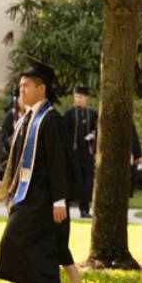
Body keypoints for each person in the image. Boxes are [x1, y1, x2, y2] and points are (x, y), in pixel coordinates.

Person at [0, 61, 89, 283]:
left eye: (26, 86)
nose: (20, 91)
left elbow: (58, 161)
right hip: (26, 198)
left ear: (42, 88)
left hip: (42, 201)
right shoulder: (27, 119)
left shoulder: (50, 119)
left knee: (11, 245)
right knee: (41, 258)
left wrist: (59, 200)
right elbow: (14, 155)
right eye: (19, 86)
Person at [64, 86, 103, 218]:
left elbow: (98, 129)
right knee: (71, 179)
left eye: (81, 97)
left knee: (87, 181)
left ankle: (84, 209)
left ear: (86, 98)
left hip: (87, 152)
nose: (78, 100)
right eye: (76, 97)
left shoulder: (92, 113)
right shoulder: (68, 113)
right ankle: (66, 207)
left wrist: (93, 136)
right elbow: (64, 131)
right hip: (73, 153)